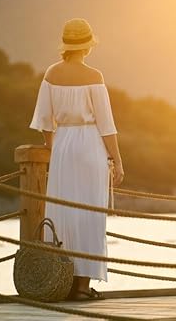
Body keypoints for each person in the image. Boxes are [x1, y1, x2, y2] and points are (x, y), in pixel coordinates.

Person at [29, 18, 124, 300]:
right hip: (90, 145)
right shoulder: (95, 76)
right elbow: (107, 126)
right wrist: (117, 160)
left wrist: (52, 146)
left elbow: (45, 120)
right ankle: (82, 286)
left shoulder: (51, 74)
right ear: (87, 46)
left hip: (63, 146)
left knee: (62, 212)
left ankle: (62, 281)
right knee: (89, 214)